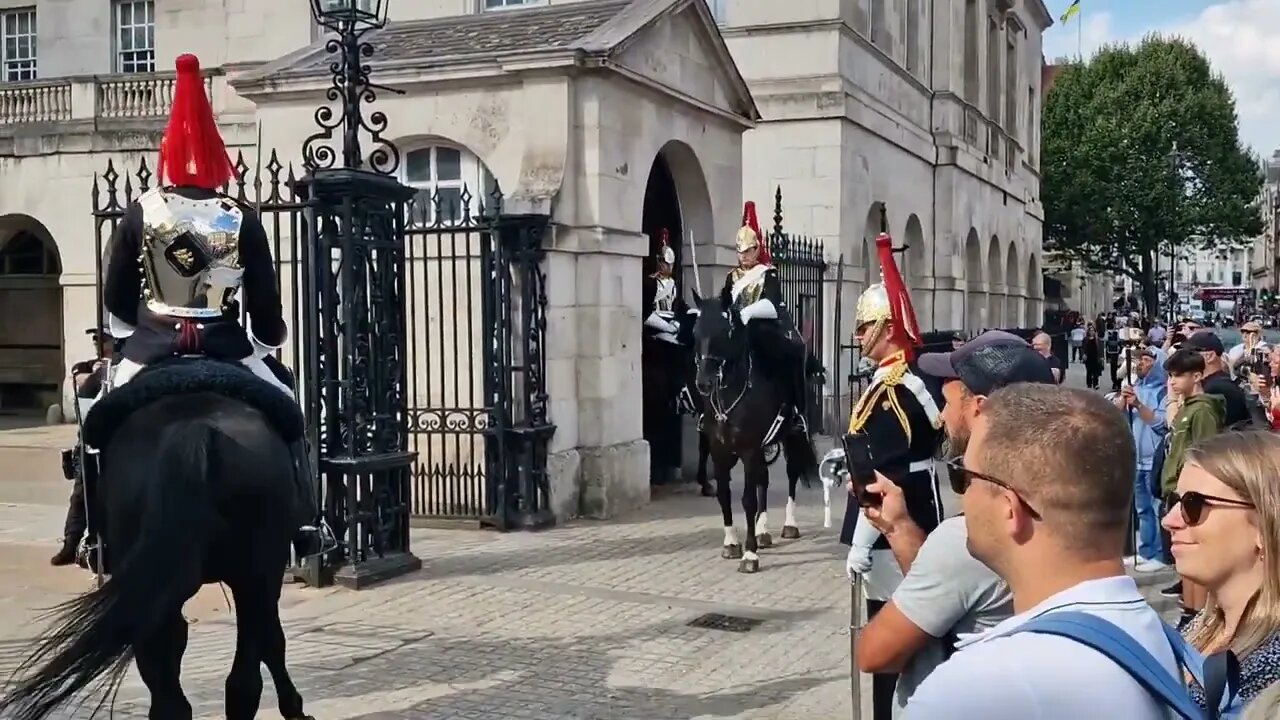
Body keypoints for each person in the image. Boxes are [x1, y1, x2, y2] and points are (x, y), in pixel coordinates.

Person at [98, 53, 321, 556]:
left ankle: (92, 531)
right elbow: (265, 304)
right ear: (216, 151)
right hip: (226, 347)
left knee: (97, 417)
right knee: (288, 410)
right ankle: (306, 524)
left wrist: (129, 330)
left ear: (168, 150)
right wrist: (265, 342)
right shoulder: (240, 214)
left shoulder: (142, 210)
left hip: (150, 349)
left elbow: (115, 293)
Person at [905, 385, 1182, 718]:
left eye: (964, 476)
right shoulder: (1167, 641)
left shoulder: (974, 688)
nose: (962, 493)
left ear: (1010, 509)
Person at [855, 331, 1055, 715]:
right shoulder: (1066, 500)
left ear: (979, 409)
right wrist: (897, 527)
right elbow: (954, 593)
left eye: (947, 403)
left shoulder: (972, 536)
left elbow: (875, 653)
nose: (943, 417)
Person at [839, 231, 943, 720]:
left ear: (885, 328)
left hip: (897, 519)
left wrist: (863, 540)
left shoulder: (895, 388)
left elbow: (886, 475)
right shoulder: (893, 382)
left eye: (864, 328)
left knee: (890, 629)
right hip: (906, 504)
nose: (858, 336)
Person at [1164, 432, 1280, 710]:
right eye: (1174, 502)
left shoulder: (1271, 671)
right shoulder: (1199, 629)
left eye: (1195, 505)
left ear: (1265, 525)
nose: (1169, 520)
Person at [718, 201, 821, 436]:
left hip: (762, 329)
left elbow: (773, 305)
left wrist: (747, 312)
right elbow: (724, 303)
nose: (744, 256)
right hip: (737, 331)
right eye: (740, 251)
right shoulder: (731, 277)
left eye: (748, 251)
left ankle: (795, 410)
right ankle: (710, 408)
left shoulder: (768, 275)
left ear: (757, 250)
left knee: (793, 355)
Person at [1161, 347, 1227, 620]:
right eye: (1171, 376)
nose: (1173, 381)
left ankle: (1197, 616)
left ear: (1197, 376)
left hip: (1190, 494)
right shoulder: (1186, 407)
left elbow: (1205, 453)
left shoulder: (1202, 412)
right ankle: (1189, 612)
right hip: (1176, 491)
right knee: (1183, 563)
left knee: (1194, 561)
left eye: (1179, 375)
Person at [51, 327, 116, 567]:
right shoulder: (87, 366)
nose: (99, 344)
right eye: (96, 340)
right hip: (89, 440)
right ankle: (71, 543)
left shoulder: (124, 367)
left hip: (116, 439)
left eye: (104, 340)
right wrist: (101, 372)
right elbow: (85, 388)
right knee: (81, 494)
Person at [1110, 346, 1168, 572]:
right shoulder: (1134, 387)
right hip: (1135, 457)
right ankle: (1145, 550)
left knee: (1155, 509)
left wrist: (1138, 405)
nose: (1141, 363)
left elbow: (1160, 423)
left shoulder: (1163, 391)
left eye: (1147, 359)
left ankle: (1159, 554)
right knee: (1142, 509)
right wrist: (1123, 403)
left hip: (1154, 459)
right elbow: (1116, 417)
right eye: (1139, 359)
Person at [641, 229, 688, 483]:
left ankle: (682, 393)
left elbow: (677, 306)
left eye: (670, 263)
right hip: (655, 335)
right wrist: (665, 326)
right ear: (659, 262)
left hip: (672, 333)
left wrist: (683, 320)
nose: (667, 267)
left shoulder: (673, 283)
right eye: (664, 263)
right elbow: (646, 312)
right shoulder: (650, 283)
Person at [1184, 331, 1251, 429]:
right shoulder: (1217, 383)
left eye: (1190, 353)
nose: (1184, 358)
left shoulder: (1214, 388)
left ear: (1209, 356)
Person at [1083, 325, 1104, 390]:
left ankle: (1095, 384)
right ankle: (1089, 384)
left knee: (1096, 372)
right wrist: (1083, 354)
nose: (1091, 332)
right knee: (1089, 371)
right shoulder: (1085, 339)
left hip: (1096, 357)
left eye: (1093, 330)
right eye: (1090, 330)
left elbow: (1101, 348)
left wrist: (1102, 356)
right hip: (1088, 357)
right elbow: (1083, 348)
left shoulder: (1097, 340)